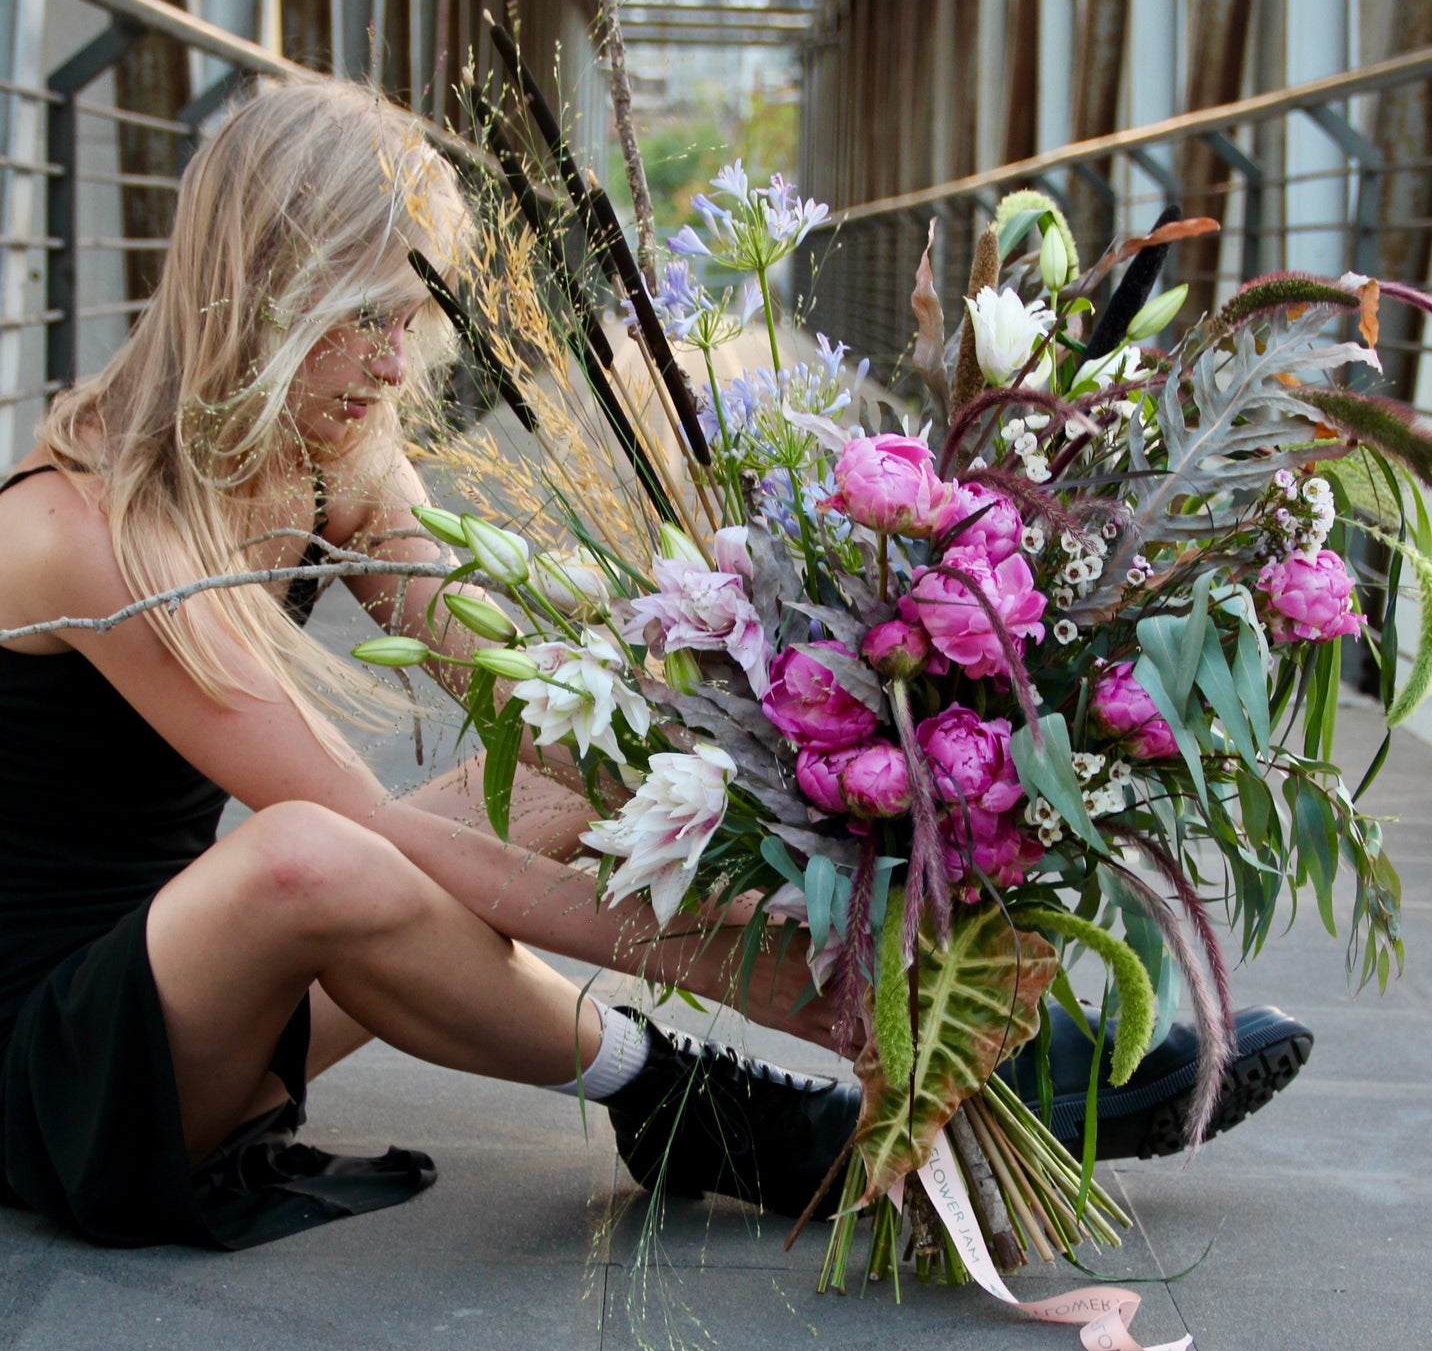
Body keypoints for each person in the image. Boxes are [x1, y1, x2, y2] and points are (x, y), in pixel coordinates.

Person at [0, 77, 1306, 1251]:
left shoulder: (324, 450)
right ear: (263, 291)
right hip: (54, 1073)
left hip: (215, 1012)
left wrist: (740, 763)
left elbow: (527, 708)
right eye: (366, 321)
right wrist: (781, 997)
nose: (399, 363)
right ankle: (699, 1103)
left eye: (414, 318)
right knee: (308, 850)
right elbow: (345, 832)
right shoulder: (77, 530)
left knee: (580, 758)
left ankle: (963, 1023)